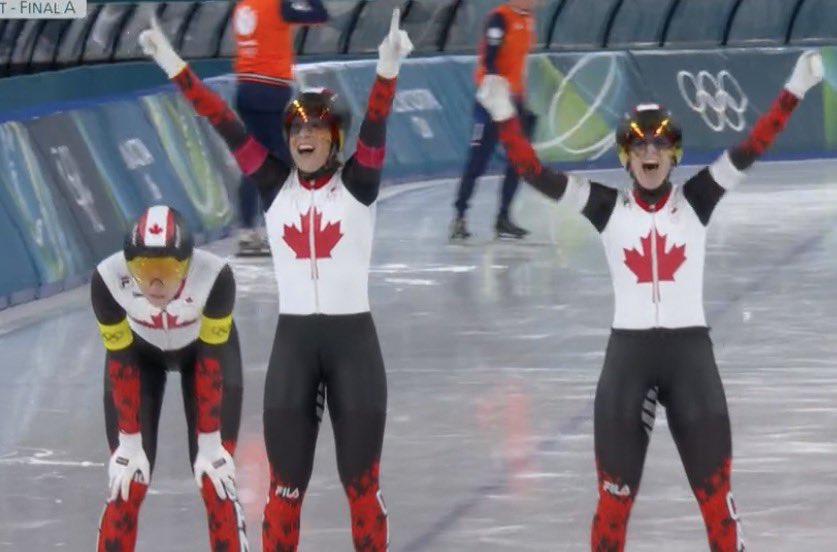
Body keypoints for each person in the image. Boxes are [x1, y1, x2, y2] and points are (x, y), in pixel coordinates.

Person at [475, 51, 824, 550]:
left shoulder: (697, 198)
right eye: (638, 144)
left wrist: (795, 88)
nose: (649, 152)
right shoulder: (605, 205)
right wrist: (504, 116)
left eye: (659, 143)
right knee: (612, 506)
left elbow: (753, 145)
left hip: (689, 360)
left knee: (717, 503)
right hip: (629, 361)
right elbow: (533, 172)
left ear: (673, 153)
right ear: (625, 156)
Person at [140, 10, 412, 550]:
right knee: (283, 493)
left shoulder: (358, 184)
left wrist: (387, 73)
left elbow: (376, 127)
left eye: (316, 129)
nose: (304, 136)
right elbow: (222, 120)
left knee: (362, 489)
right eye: (296, 129)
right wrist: (173, 64)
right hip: (294, 350)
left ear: (335, 139)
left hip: (353, 349)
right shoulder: (272, 185)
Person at [93, 205, 247, 551]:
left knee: (216, 481)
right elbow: (120, 359)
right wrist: (129, 443)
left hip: (204, 355)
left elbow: (211, 361)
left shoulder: (215, 276)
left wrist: (211, 444)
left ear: (188, 264)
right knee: (126, 483)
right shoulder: (107, 278)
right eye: (143, 270)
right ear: (128, 265)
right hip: (138, 356)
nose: (156, 283)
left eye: (167, 269)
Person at [233, 0, 329, 256]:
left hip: (245, 87)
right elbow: (319, 15)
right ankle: (283, 225)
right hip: (270, 89)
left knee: (254, 159)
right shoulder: (278, 5)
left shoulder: (243, 6)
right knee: (280, 158)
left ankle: (247, 229)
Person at [450, 0, 537, 241]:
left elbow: (520, 64)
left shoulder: (527, 20)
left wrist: (521, 100)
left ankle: (503, 217)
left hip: (514, 99)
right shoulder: (500, 18)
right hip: (492, 99)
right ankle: (459, 216)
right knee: (478, 159)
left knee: (519, 161)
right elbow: (489, 58)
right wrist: (496, 91)